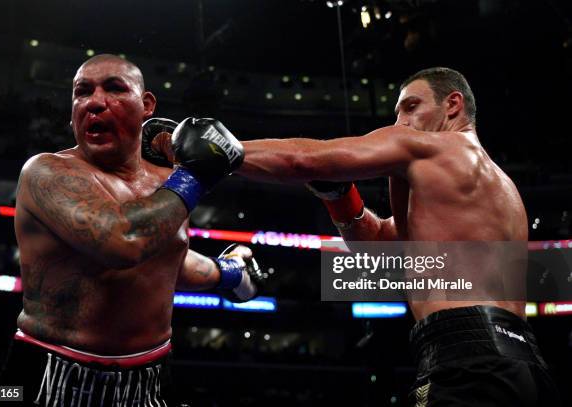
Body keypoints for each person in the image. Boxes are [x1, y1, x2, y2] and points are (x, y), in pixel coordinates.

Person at [156, 67, 560, 406]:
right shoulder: (502, 189)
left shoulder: (433, 148)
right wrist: (340, 198)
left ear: (453, 105)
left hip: (466, 357)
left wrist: (216, 147)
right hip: (524, 364)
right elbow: (381, 245)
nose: (401, 122)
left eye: (412, 107)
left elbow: (304, 158)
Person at [0, 54, 264, 407]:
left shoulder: (168, 185)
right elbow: (123, 241)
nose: (94, 102)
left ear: (146, 104)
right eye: (82, 92)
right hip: (46, 378)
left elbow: (167, 262)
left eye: (114, 88)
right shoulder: (46, 173)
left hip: (151, 380)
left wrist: (230, 273)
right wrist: (198, 173)